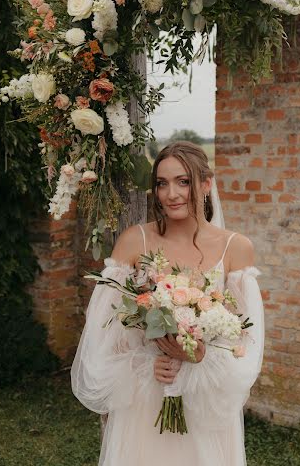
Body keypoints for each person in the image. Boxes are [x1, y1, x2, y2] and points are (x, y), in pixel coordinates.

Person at [71, 141, 265, 466]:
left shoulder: (236, 248)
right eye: (162, 183)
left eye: (183, 181)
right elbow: (104, 334)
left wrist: (202, 355)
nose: (171, 194)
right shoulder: (136, 241)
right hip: (147, 401)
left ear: (206, 184)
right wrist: (147, 364)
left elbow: (245, 339)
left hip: (204, 403)